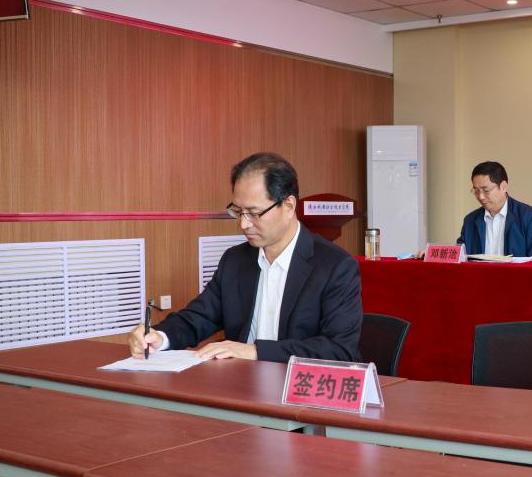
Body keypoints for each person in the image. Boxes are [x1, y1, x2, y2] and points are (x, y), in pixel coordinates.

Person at [128, 152, 362, 363]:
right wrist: (160, 336)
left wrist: (255, 351)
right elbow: (200, 316)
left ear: (289, 206)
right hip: (241, 384)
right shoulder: (235, 260)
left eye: (254, 213)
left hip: (298, 389)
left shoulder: (334, 266)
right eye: (238, 212)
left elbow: (339, 349)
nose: (243, 224)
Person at [457, 161, 532, 259]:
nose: (481, 197)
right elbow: (459, 258)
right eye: (476, 191)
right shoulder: (470, 221)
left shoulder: (530, 217)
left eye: (486, 190)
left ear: (503, 187)